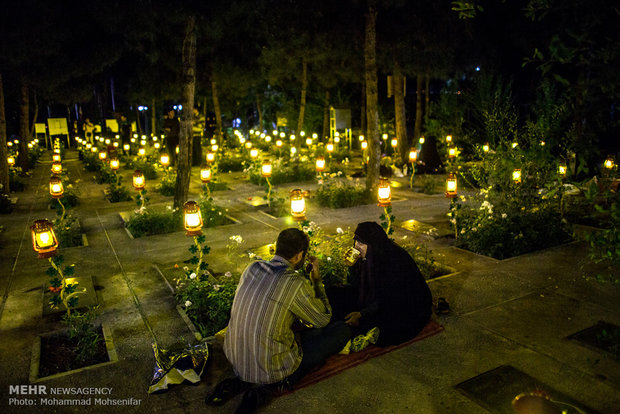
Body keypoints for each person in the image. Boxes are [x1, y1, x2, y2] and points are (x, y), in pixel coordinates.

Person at [209, 228, 351, 413]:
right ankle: (267, 388)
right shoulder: (294, 283)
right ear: (300, 255)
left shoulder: (251, 268)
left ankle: (243, 381)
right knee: (341, 330)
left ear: (277, 247)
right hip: (271, 368)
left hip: (236, 360)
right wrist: (316, 281)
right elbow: (322, 318)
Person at [332, 221, 433, 347]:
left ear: (373, 244)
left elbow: (387, 298)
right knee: (334, 294)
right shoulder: (364, 257)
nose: (356, 247)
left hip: (402, 303)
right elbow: (355, 286)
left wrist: (361, 314)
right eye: (356, 242)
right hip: (375, 299)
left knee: (387, 328)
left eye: (361, 243)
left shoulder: (391, 260)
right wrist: (350, 267)